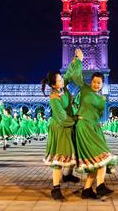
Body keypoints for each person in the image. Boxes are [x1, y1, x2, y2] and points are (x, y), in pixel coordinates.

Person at [72, 49, 117, 200]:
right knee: (103, 157)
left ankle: (86, 190)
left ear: (102, 84)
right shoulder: (84, 89)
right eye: (94, 82)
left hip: (94, 128)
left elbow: (98, 116)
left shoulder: (102, 99)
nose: (96, 84)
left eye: (99, 83)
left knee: (96, 160)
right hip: (84, 127)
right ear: (90, 82)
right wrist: (79, 60)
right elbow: (76, 76)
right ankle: (100, 186)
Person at [42, 48, 83, 201]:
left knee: (72, 151)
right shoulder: (54, 97)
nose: (62, 80)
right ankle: (55, 188)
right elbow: (62, 117)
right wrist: (77, 120)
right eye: (59, 80)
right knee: (59, 158)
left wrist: (77, 59)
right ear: (54, 85)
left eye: (61, 79)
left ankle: (68, 175)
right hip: (60, 127)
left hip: (68, 124)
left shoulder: (63, 87)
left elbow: (70, 73)